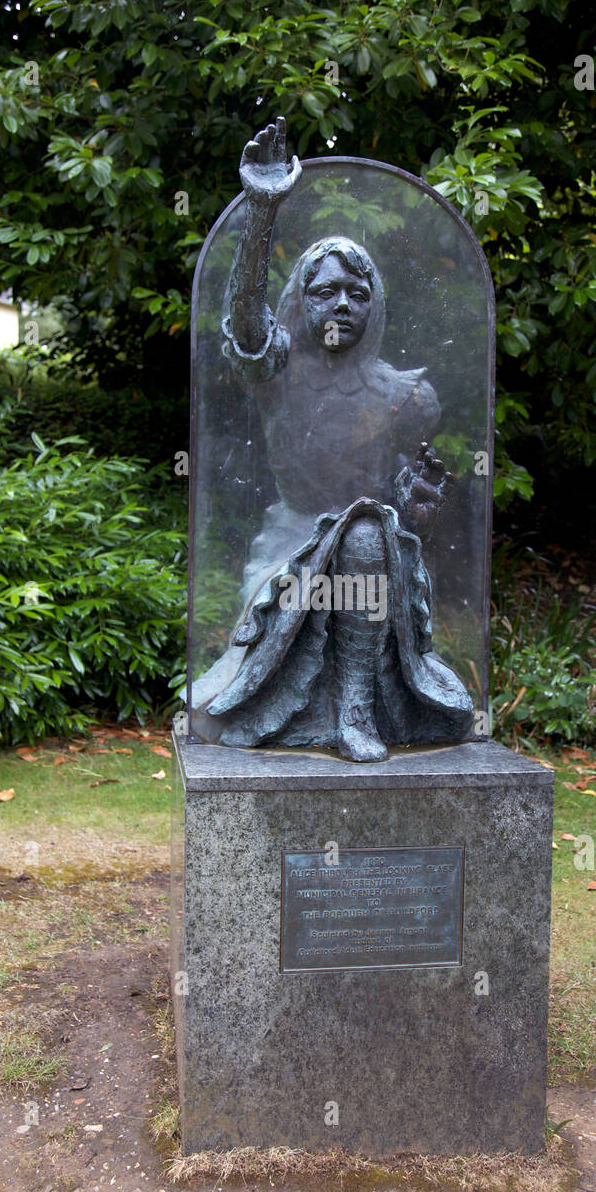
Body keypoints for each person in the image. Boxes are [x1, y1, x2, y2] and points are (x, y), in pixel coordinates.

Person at [192, 118, 474, 761]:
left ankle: (356, 711)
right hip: (293, 537)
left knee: (370, 534)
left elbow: (402, 492)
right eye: (325, 292)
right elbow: (245, 325)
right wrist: (263, 209)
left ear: (375, 305)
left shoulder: (406, 396)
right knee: (361, 538)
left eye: (357, 292)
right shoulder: (278, 373)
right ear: (302, 300)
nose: (342, 304)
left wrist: (417, 501)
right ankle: (323, 709)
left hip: (376, 551)